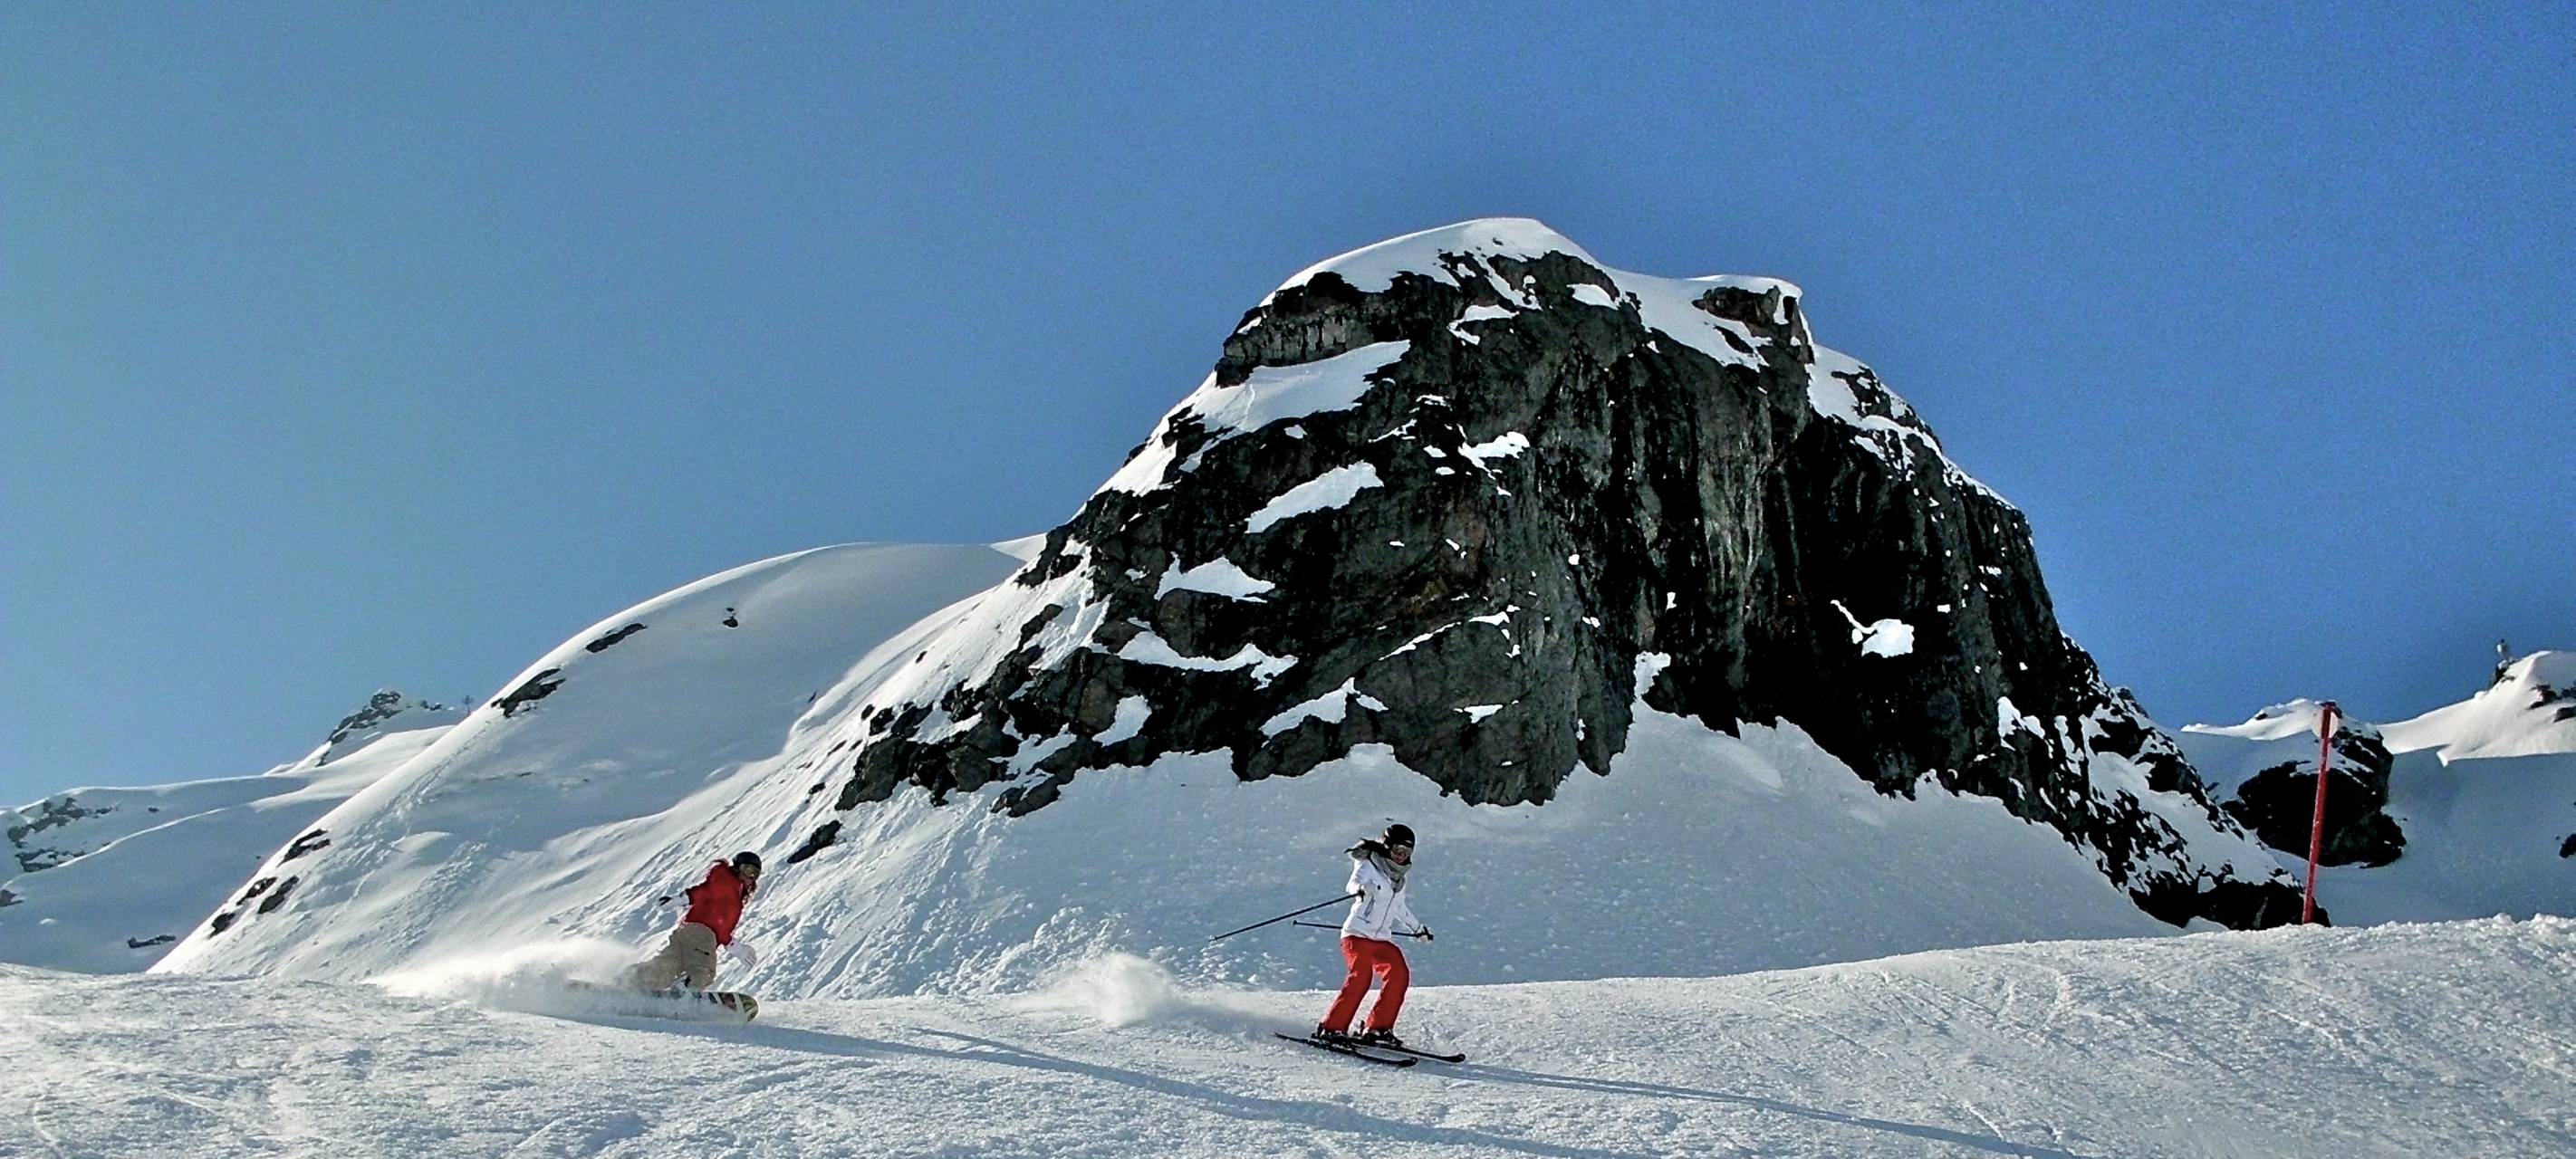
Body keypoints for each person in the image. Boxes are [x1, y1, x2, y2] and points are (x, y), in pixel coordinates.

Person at [1314, 822, 1431, 1047]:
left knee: (1399, 974)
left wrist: (1418, 929)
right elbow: (1353, 883)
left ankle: (1378, 1028)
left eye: (1406, 853)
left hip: (1381, 940)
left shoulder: (1398, 880)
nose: (1401, 856)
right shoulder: (1369, 865)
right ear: (1387, 847)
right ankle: (1332, 1028)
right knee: (1362, 975)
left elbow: (1400, 909)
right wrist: (1360, 889)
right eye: (1397, 850)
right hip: (1357, 935)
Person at [628, 851, 763, 991]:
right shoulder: (727, 883)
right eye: (749, 870)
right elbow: (705, 892)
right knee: (703, 971)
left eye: (756, 874)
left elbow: (721, 927)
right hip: (701, 935)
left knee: (664, 970)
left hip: (687, 933)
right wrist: (679, 899)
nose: (751, 877)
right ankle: (684, 992)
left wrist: (735, 946)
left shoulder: (733, 890)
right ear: (738, 867)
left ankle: (630, 979)